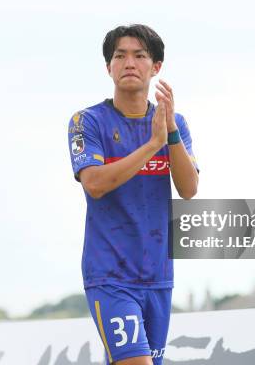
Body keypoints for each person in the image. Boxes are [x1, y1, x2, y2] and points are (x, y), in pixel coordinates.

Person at [68, 24, 199, 365]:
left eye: (139, 56)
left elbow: (188, 189)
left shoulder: (175, 123)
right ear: (108, 67)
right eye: (120, 56)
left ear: (156, 67)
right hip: (110, 275)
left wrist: (168, 134)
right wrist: (152, 145)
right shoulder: (88, 121)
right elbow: (95, 183)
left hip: (158, 275)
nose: (129, 63)